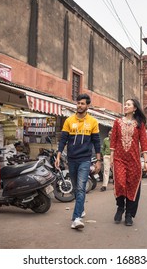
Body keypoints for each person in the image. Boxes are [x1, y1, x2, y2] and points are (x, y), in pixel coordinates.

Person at [55, 94, 101, 230]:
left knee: (81, 187)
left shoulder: (93, 122)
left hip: (85, 159)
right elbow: (63, 140)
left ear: (87, 106)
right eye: (78, 103)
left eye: (82, 103)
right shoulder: (69, 121)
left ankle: (76, 218)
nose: (79, 105)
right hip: (71, 159)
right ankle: (80, 209)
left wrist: (98, 160)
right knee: (76, 188)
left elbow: (96, 142)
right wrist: (58, 156)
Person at [110, 98, 147, 226]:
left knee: (133, 187)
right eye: (125, 104)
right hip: (119, 159)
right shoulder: (117, 122)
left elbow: (144, 142)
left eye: (128, 104)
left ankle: (129, 214)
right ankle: (120, 207)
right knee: (120, 183)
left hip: (134, 160)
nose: (125, 106)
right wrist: (111, 158)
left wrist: (146, 161)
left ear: (134, 108)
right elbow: (113, 141)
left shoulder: (139, 124)